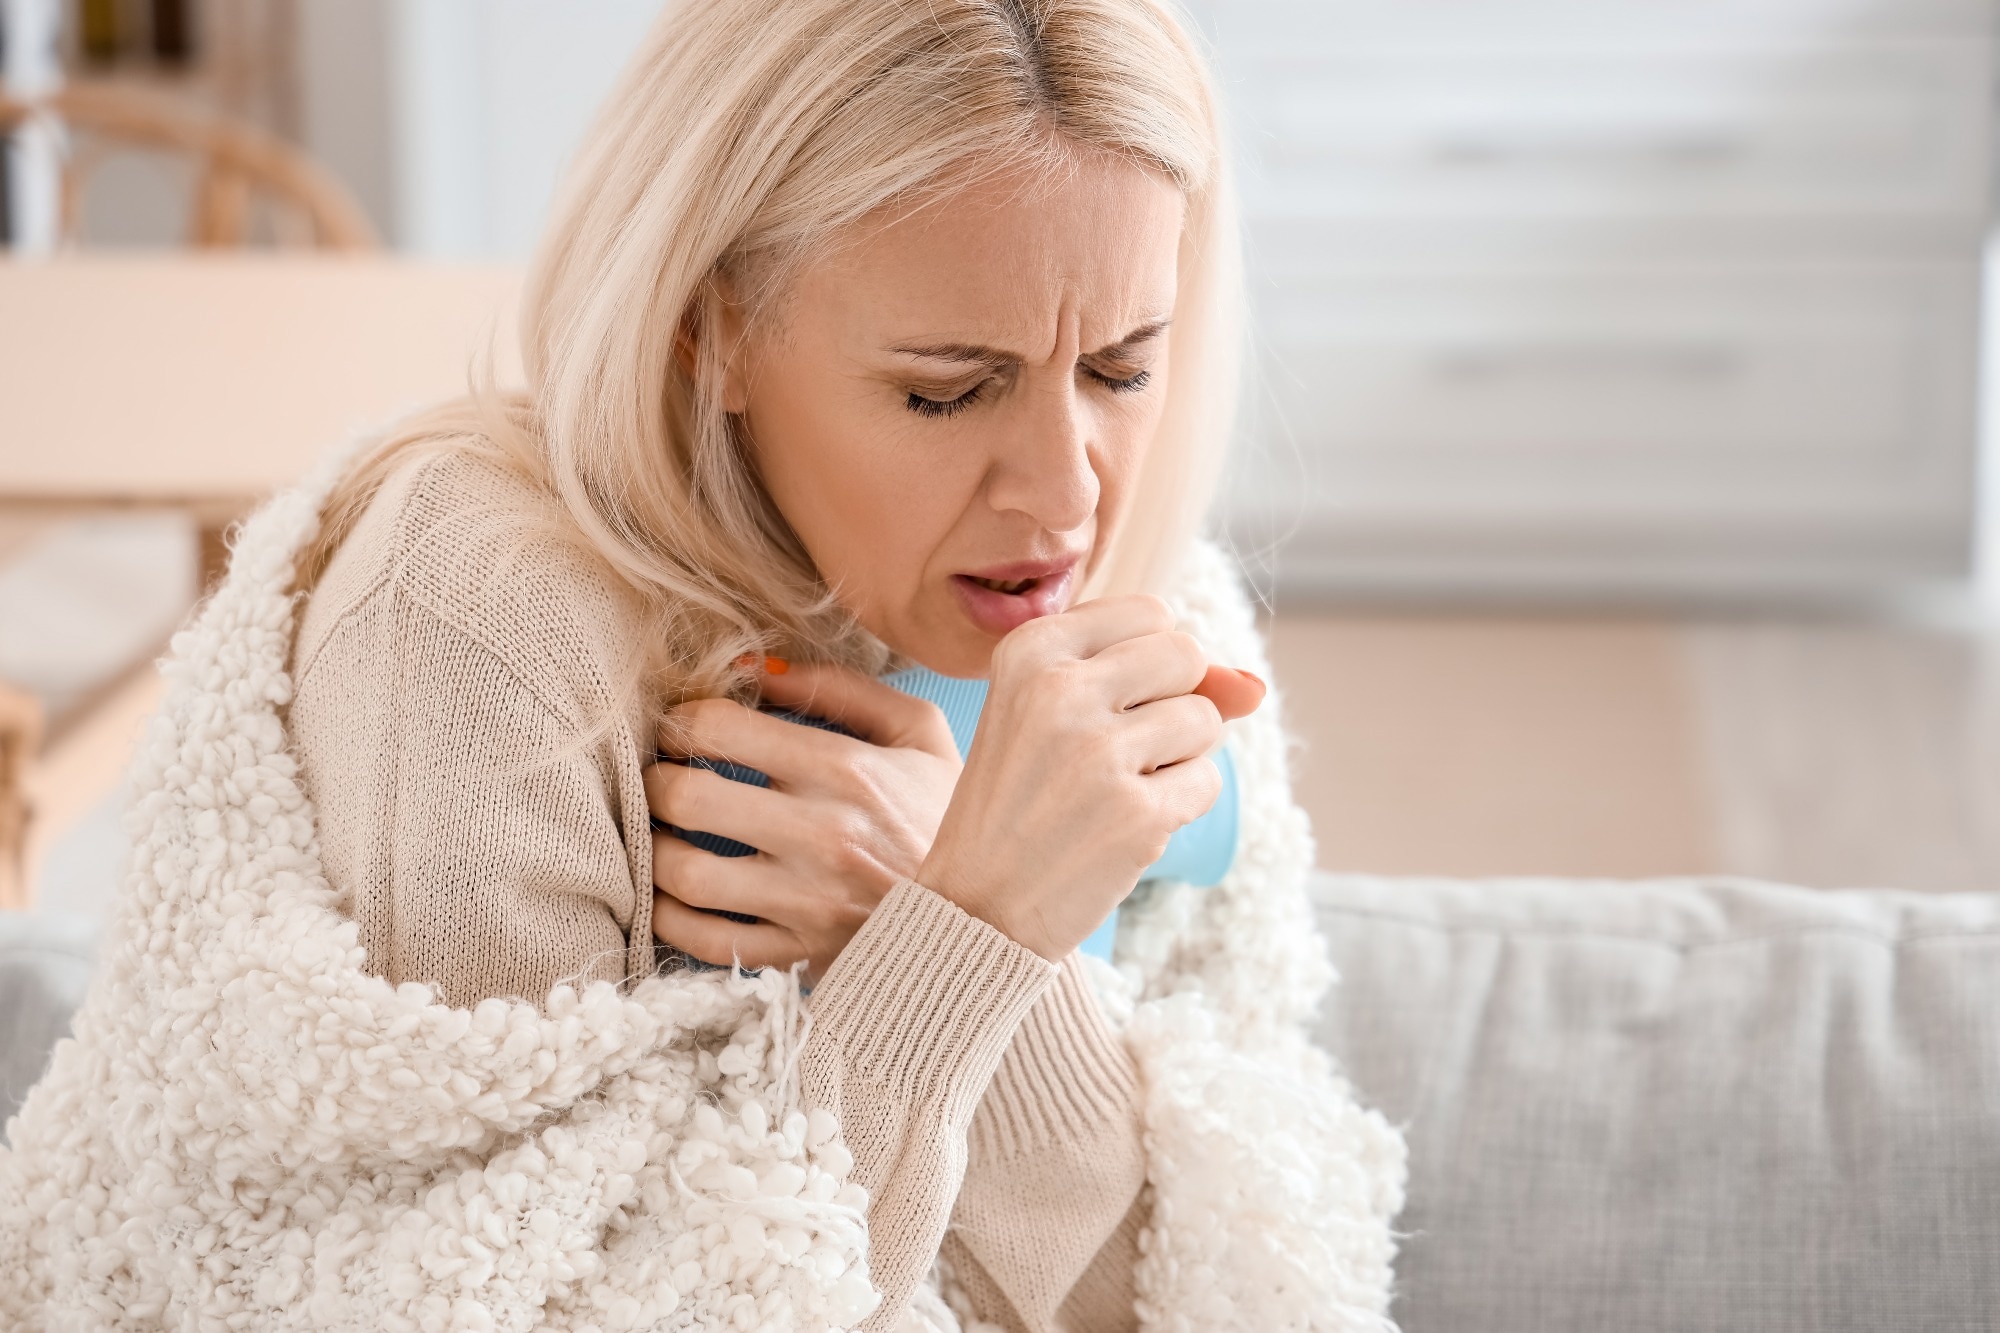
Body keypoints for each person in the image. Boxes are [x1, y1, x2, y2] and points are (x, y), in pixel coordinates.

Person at [0, 2, 1406, 1329]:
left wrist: (962, 929)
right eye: (944, 387)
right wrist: (964, 932)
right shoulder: (477, 620)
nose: (1064, 499)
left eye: (1122, 368)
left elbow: (1200, 1289)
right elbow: (477, 1296)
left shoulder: (1149, 631)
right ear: (712, 325)